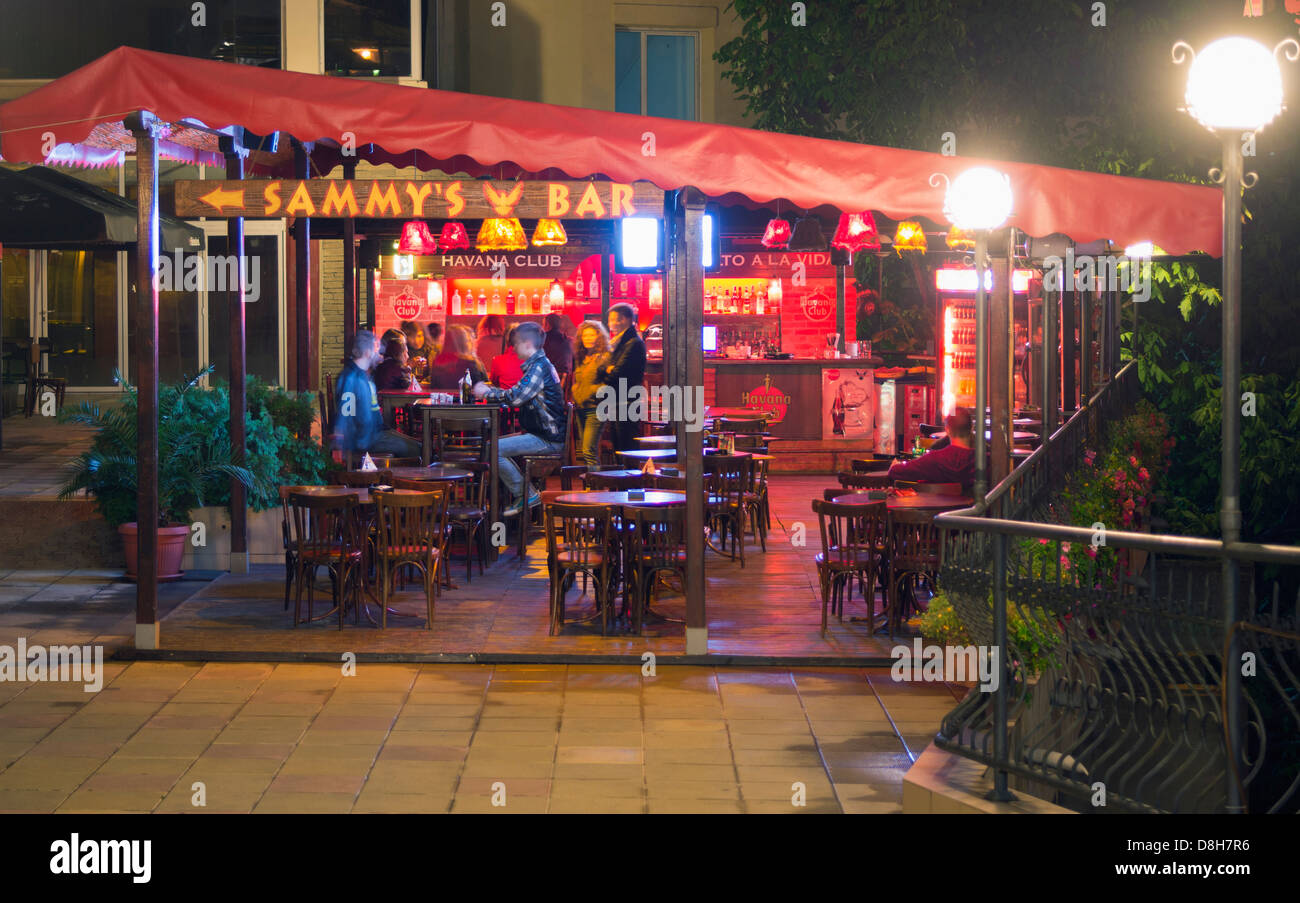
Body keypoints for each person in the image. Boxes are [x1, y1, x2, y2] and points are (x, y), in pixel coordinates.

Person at [471, 321, 567, 516]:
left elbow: (515, 398)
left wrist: (486, 393)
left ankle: (527, 494)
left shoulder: (538, 368)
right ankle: (517, 497)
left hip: (547, 439)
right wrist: (491, 392)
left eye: (515, 343)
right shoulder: (539, 365)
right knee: (493, 445)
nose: (513, 348)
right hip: (543, 434)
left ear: (526, 344)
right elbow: (516, 394)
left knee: (492, 448)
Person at [332, 330, 421, 460]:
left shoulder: (363, 375)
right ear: (367, 353)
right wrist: (338, 446)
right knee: (418, 449)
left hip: (375, 433)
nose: (379, 354)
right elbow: (344, 415)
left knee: (421, 446)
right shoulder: (351, 378)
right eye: (375, 349)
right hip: (365, 439)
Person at [596, 302, 647, 452]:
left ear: (624, 320)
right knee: (620, 445)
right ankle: (624, 473)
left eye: (613, 320)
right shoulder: (620, 342)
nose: (610, 324)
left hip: (627, 401)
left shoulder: (632, 343)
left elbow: (616, 374)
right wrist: (607, 369)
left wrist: (606, 369)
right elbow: (607, 368)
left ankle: (630, 475)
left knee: (626, 447)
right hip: (619, 400)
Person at [888, 407, 975, 489]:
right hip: (974, 505)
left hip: (939, 504)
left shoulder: (935, 459)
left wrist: (895, 465)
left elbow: (895, 472)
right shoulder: (983, 460)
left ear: (947, 429)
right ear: (972, 428)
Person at [571, 320, 611, 468]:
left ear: (598, 337)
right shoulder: (581, 358)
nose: (587, 338)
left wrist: (593, 392)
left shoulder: (605, 357)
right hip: (581, 408)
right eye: (584, 335)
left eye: (591, 335)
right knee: (586, 450)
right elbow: (578, 381)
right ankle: (592, 484)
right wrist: (576, 391)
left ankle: (595, 486)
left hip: (596, 409)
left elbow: (611, 384)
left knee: (589, 450)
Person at [427, 323, 487, 390]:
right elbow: (479, 389)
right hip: (464, 399)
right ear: (463, 342)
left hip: (443, 400)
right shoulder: (469, 363)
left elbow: (434, 388)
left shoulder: (437, 362)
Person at [489, 324, 525, 389]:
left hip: (506, 397)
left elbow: (494, 382)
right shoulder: (532, 359)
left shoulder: (498, 360)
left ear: (507, 341)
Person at [542, 312, 574, 383]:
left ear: (548, 325)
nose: (542, 327)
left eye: (543, 324)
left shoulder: (542, 340)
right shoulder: (569, 340)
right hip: (566, 379)